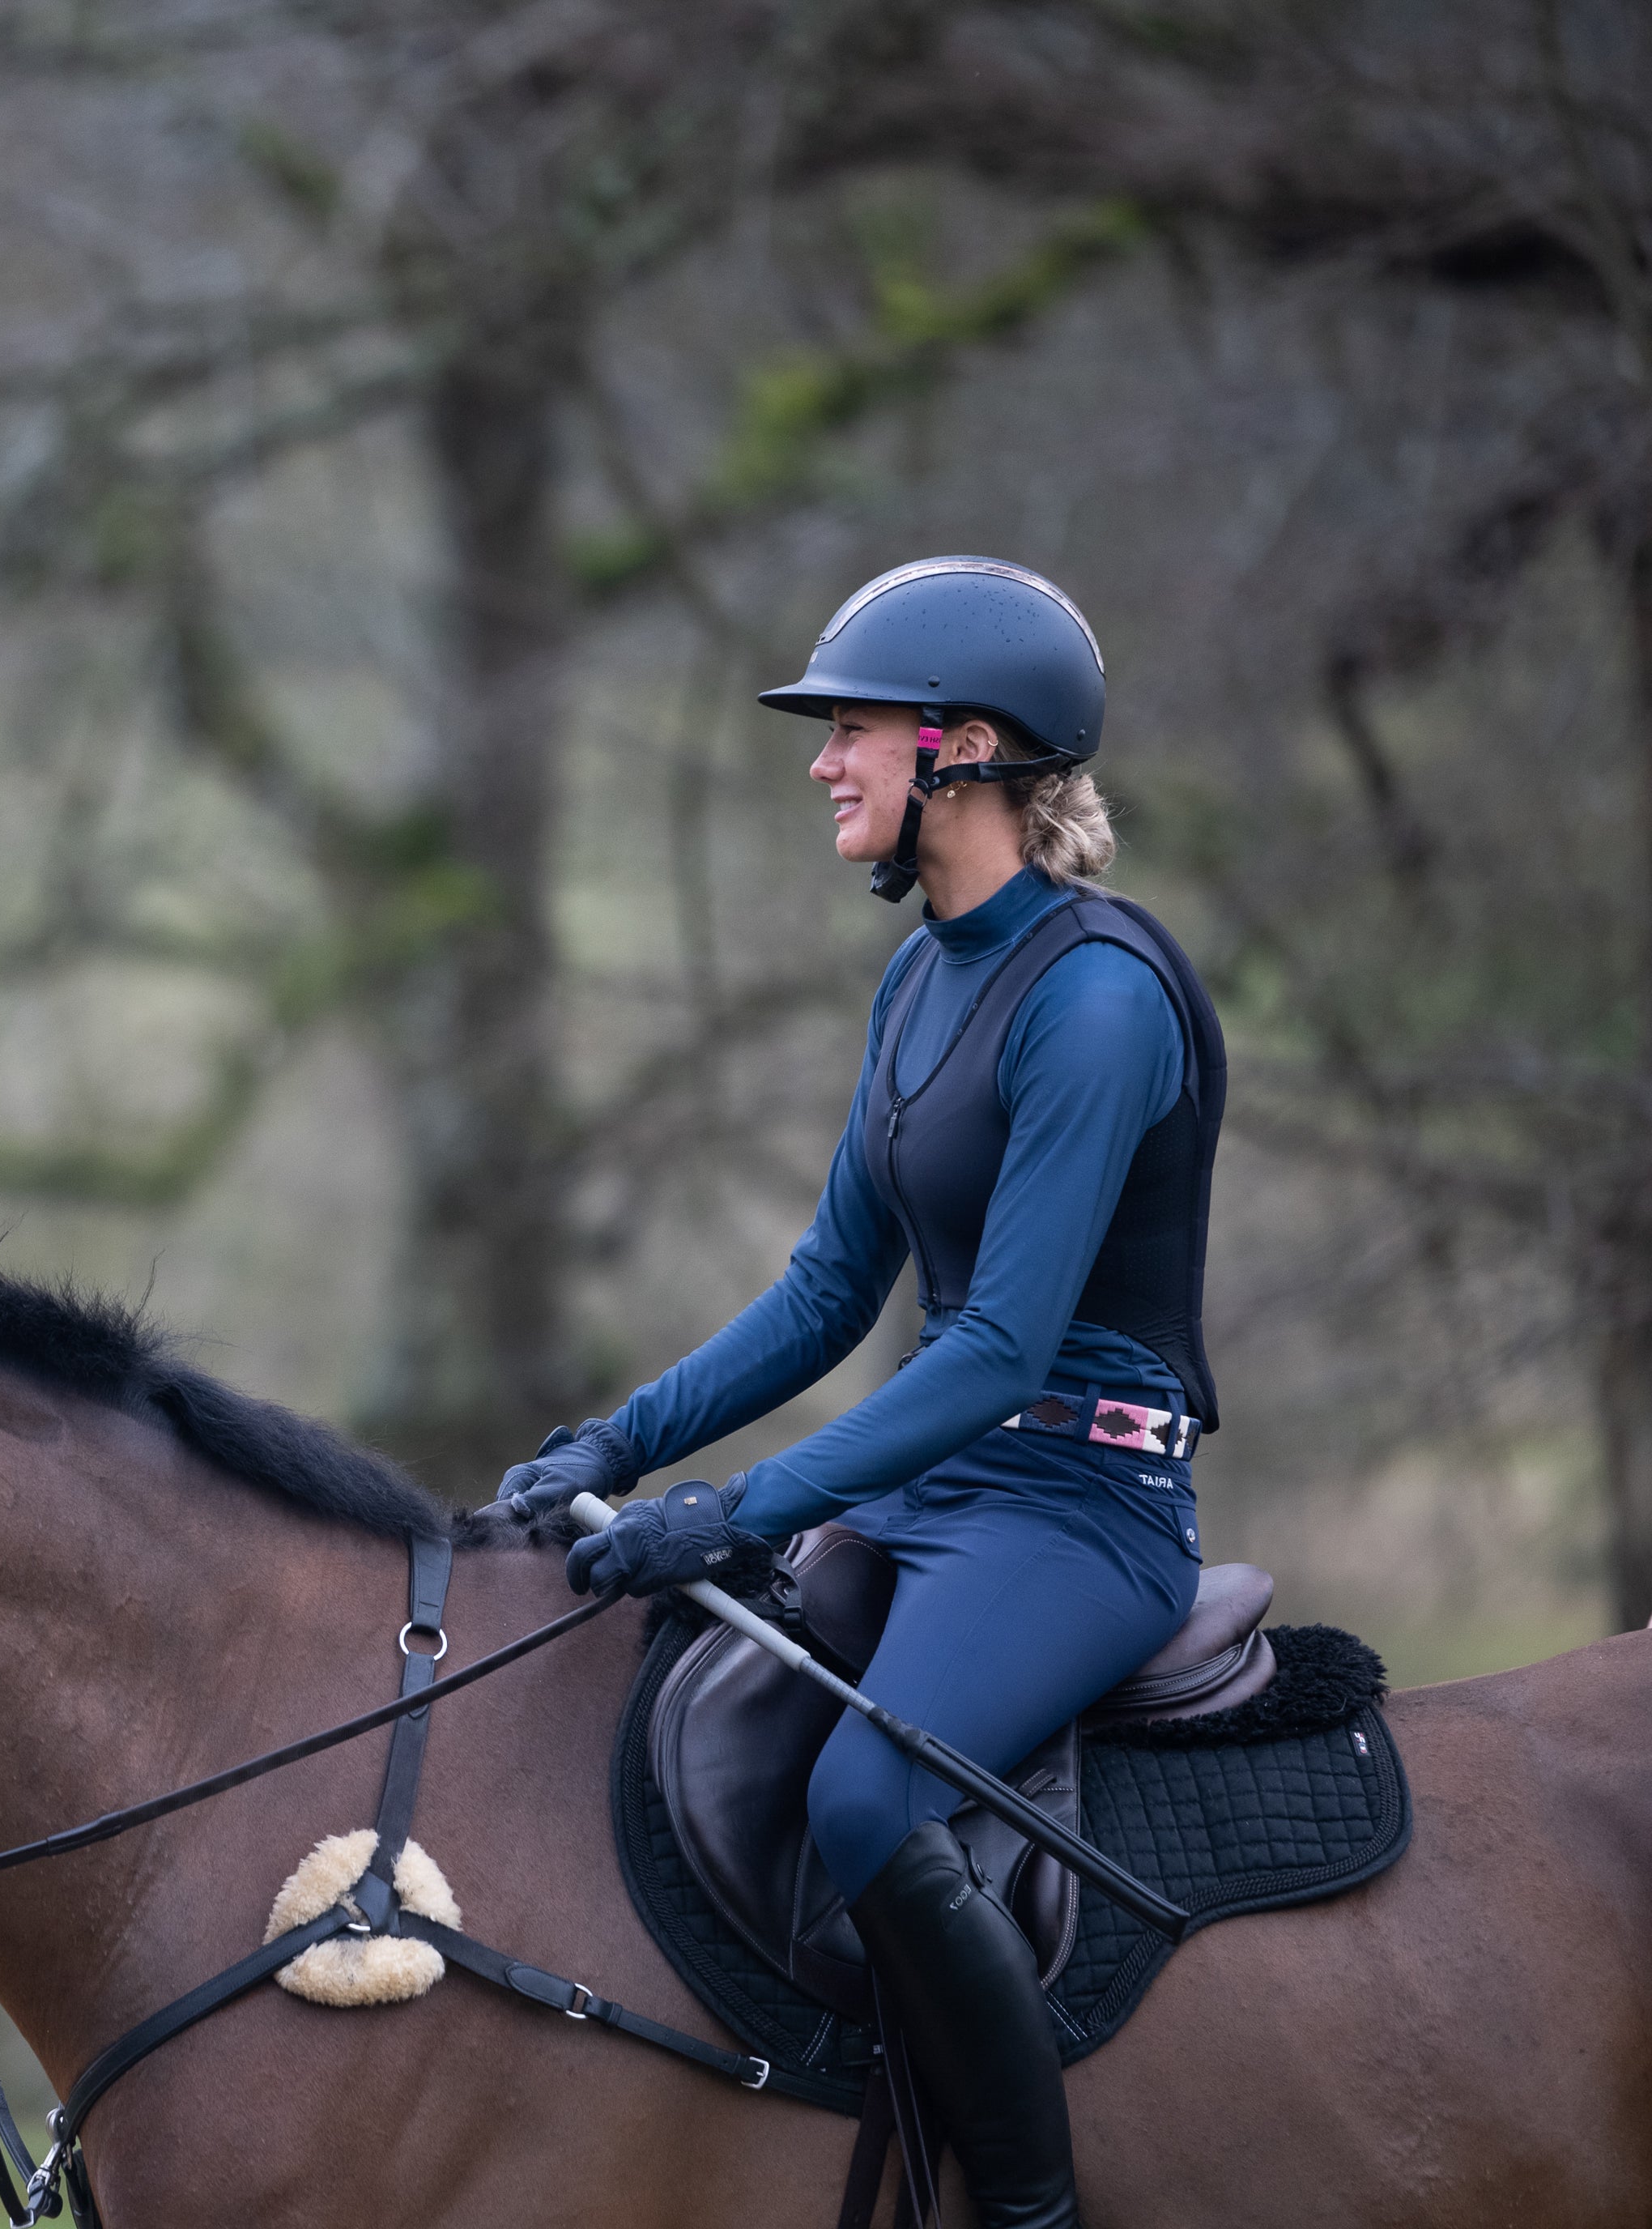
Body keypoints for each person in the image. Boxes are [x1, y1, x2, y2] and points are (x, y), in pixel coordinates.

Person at [505, 557, 1225, 2229]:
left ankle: (1032, 2209)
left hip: (1083, 1507)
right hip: (941, 1485)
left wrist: (739, 1509)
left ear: (962, 750)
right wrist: (618, 1443)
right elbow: (833, 1288)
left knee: (865, 1791)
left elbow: (999, 1349)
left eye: (853, 734)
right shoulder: (919, 976)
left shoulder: (1101, 996)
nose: (825, 764)